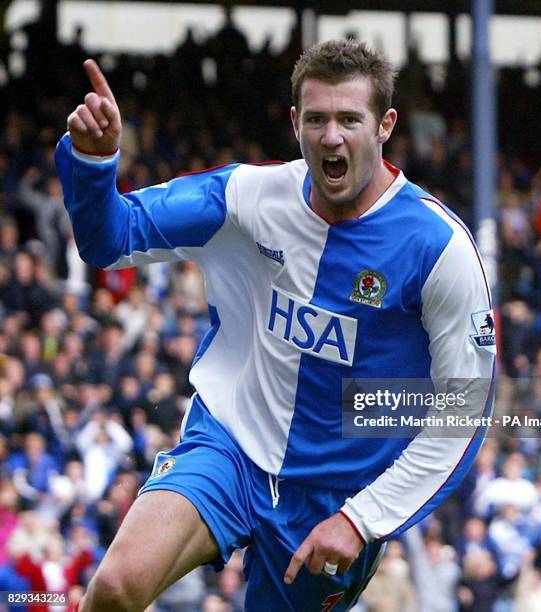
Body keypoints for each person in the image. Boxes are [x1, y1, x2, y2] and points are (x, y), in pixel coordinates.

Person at [55, 39, 495, 612]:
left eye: (348, 119)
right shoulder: (248, 196)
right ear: (295, 122)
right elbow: (111, 239)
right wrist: (93, 164)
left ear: (384, 126)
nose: (330, 136)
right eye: (316, 119)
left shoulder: (439, 248)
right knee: (115, 587)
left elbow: (464, 411)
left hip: (335, 500)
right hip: (231, 446)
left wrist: (362, 520)